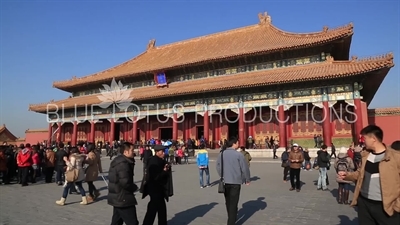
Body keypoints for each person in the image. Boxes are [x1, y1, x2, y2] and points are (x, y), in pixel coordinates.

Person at [338, 125, 400, 224]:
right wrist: (347, 175)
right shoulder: (366, 156)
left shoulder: (395, 157)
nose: (363, 141)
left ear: (373, 139)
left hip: (386, 206)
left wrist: (397, 206)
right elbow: (360, 174)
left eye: (364, 138)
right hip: (364, 204)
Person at [216, 137, 250, 225]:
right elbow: (245, 168)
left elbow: (218, 166)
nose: (238, 144)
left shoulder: (222, 154)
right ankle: (231, 221)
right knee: (234, 203)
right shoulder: (238, 155)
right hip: (236, 182)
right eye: (237, 143)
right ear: (234, 144)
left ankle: (231, 217)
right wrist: (247, 179)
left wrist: (222, 175)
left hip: (225, 182)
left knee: (228, 201)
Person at [107, 142, 139, 225]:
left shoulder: (120, 161)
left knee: (117, 221)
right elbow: (125, 182)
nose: (134, 151)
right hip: (123, 197)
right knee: (132, 222)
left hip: (118, 196)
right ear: (125, 152)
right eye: (132, 150)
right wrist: (134, 188)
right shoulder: (123, 164)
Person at [142, 145, 173, 225]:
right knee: (153, 210)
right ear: (157, 152)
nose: (163, 153)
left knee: (160, 209)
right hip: (155, 189)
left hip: (159, 190)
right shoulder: (153, 161)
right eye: (162, 151)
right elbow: (155, 176)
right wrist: (164, 171)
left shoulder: (159, 160)